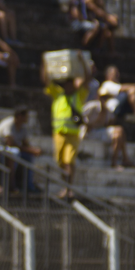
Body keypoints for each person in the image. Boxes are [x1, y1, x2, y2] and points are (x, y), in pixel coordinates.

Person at [42, 60, 89, 201]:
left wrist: (83, 62)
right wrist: (45, 64)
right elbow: (46, 80)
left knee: (69, 161)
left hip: (73, 134)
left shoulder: (78, 96)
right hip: (58, 133)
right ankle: (65, 186)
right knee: (60, 161)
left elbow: (87, 80)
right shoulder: (58, 94)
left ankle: (68, 188)